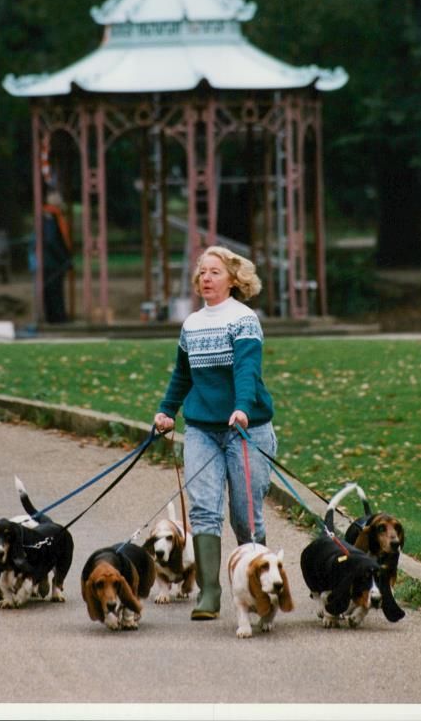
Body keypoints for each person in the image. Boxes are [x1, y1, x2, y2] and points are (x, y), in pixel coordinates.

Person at [153, 245, 276, 621]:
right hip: (202, 430)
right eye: (202, 272)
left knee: (245, 516)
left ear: (233, 280)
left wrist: (241, 406)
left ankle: (257, 585)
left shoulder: (244, 320)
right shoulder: (191, 324)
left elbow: (247, 370)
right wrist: (165, 410)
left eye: (214, 272)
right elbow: (183, 374)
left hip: (246, 428)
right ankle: (209, 592)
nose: (206, 278)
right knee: (205, 510)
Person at [42, 191, 73, 323]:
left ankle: (57, 317)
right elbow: (51, 240)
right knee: (54, 290)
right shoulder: (50, 216)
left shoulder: (51, 215)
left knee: (54, 289)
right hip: (52, 261)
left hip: (52, 259)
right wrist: (64, 258)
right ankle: (57, 318)